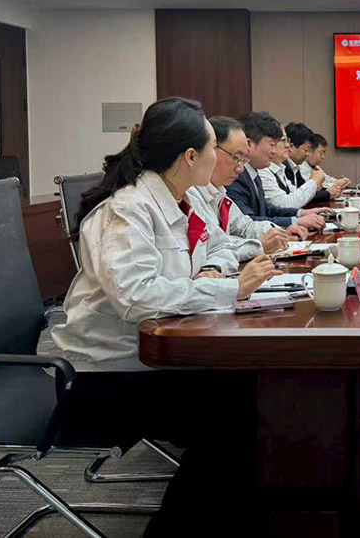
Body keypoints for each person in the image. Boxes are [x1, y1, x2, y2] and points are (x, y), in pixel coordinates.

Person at [49, 97, 282, 534]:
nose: (225, 160)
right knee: (238, 410)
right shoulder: (128, 210)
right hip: (107, 375)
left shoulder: (183, 199)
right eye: (214, 149)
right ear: (191, 156)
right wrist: (229, 288)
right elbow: (135, 297)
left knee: (255, 391)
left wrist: (216, 273)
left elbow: (216, 247)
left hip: (153, 356)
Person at [189, 116, 302, 249]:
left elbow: (245, 226)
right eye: (237, 158)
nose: (240, 168)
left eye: (243, 160)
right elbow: (214, 247)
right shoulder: (192, 195)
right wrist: (258, 246)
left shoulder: (219, 191)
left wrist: (279, 232)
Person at [227, 111, 331, 230]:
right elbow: (247, 222)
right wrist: (295, 221)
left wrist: (300, 213)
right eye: (272, 144)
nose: (275, 151)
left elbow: (266, 209)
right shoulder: (237, 175)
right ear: (249, 144)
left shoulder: (253, 171)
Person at [260, 128, 344, 209]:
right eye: (283, 140)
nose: (287, 145)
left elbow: (296, 194)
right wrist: (314, 182)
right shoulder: (264, 171)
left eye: (287, 141)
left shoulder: (281, 168)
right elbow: (285, 204)